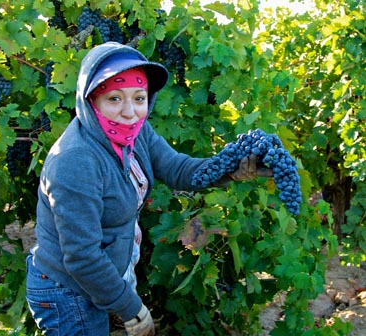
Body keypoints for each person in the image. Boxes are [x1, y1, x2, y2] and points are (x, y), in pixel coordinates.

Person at [25, 41, 272, 336]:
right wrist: (131, 308)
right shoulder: (76, 161)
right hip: (67, 291)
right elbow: (82, 256)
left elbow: (178, 168)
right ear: (91, 100)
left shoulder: (135, 133)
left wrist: (231, 168)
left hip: (96, 280)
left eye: (138, 98)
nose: (130, 111)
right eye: (115, 98)